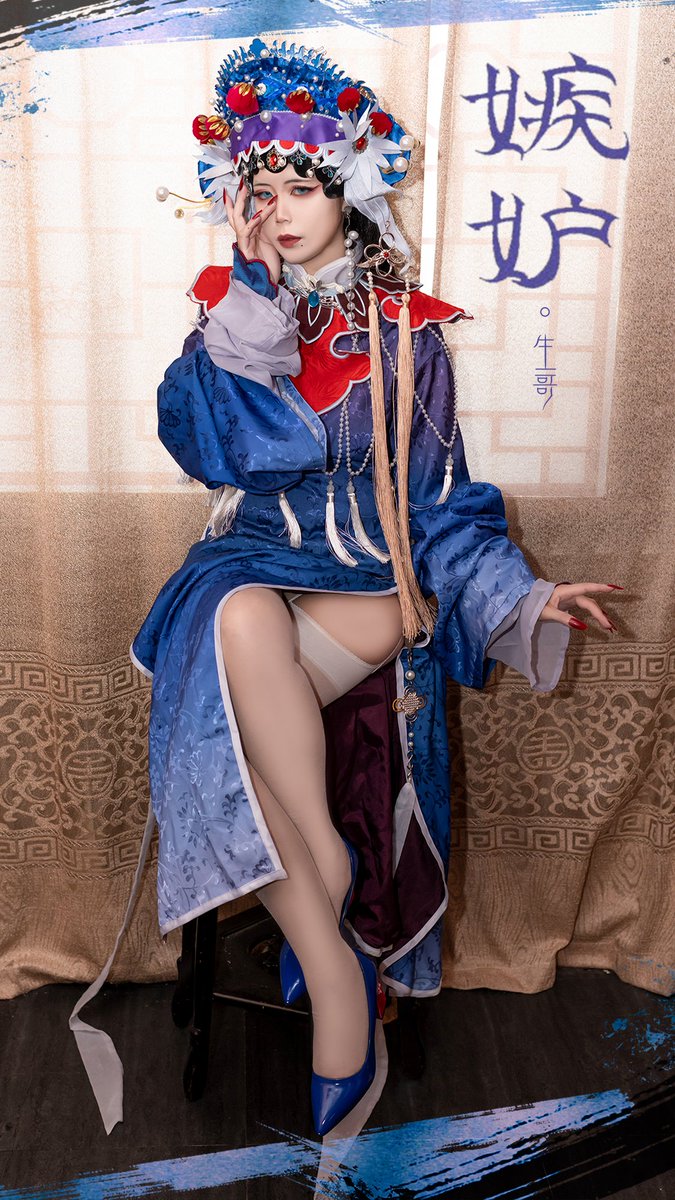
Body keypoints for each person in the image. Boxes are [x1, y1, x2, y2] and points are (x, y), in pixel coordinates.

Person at [69, 36, 622, 1140]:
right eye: (260, 187)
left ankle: (316, 886)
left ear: (351, 192)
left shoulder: (410, 336)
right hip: (251, 566)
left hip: (367, 581)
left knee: (284, 652)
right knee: (236, 614)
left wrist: (524, 595)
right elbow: (220, 453)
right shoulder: (227, 325)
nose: (279, 208)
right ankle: (330, 947)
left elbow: (440, 505)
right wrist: (254, 309)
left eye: (303, 185)